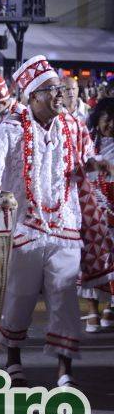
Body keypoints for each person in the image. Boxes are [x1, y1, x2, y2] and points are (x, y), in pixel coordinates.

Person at [0, 55, 106, 389]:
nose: (60, 95)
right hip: (24, 227)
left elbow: (87, 156)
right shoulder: (9, 130)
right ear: (32, 96)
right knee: (19, 296)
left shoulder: (72, 126)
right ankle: (13, 358)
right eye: (50, 90)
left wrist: (96, 165)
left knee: (64, 297)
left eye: (60, 88)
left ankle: (64, 369)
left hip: (65, 224)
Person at [80, 97, 114, 332]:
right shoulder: (88, 140)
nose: (111, 124)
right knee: (89, 259)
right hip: (91, 209)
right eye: (107, 119)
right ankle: (92, 309)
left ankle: (111, 305)